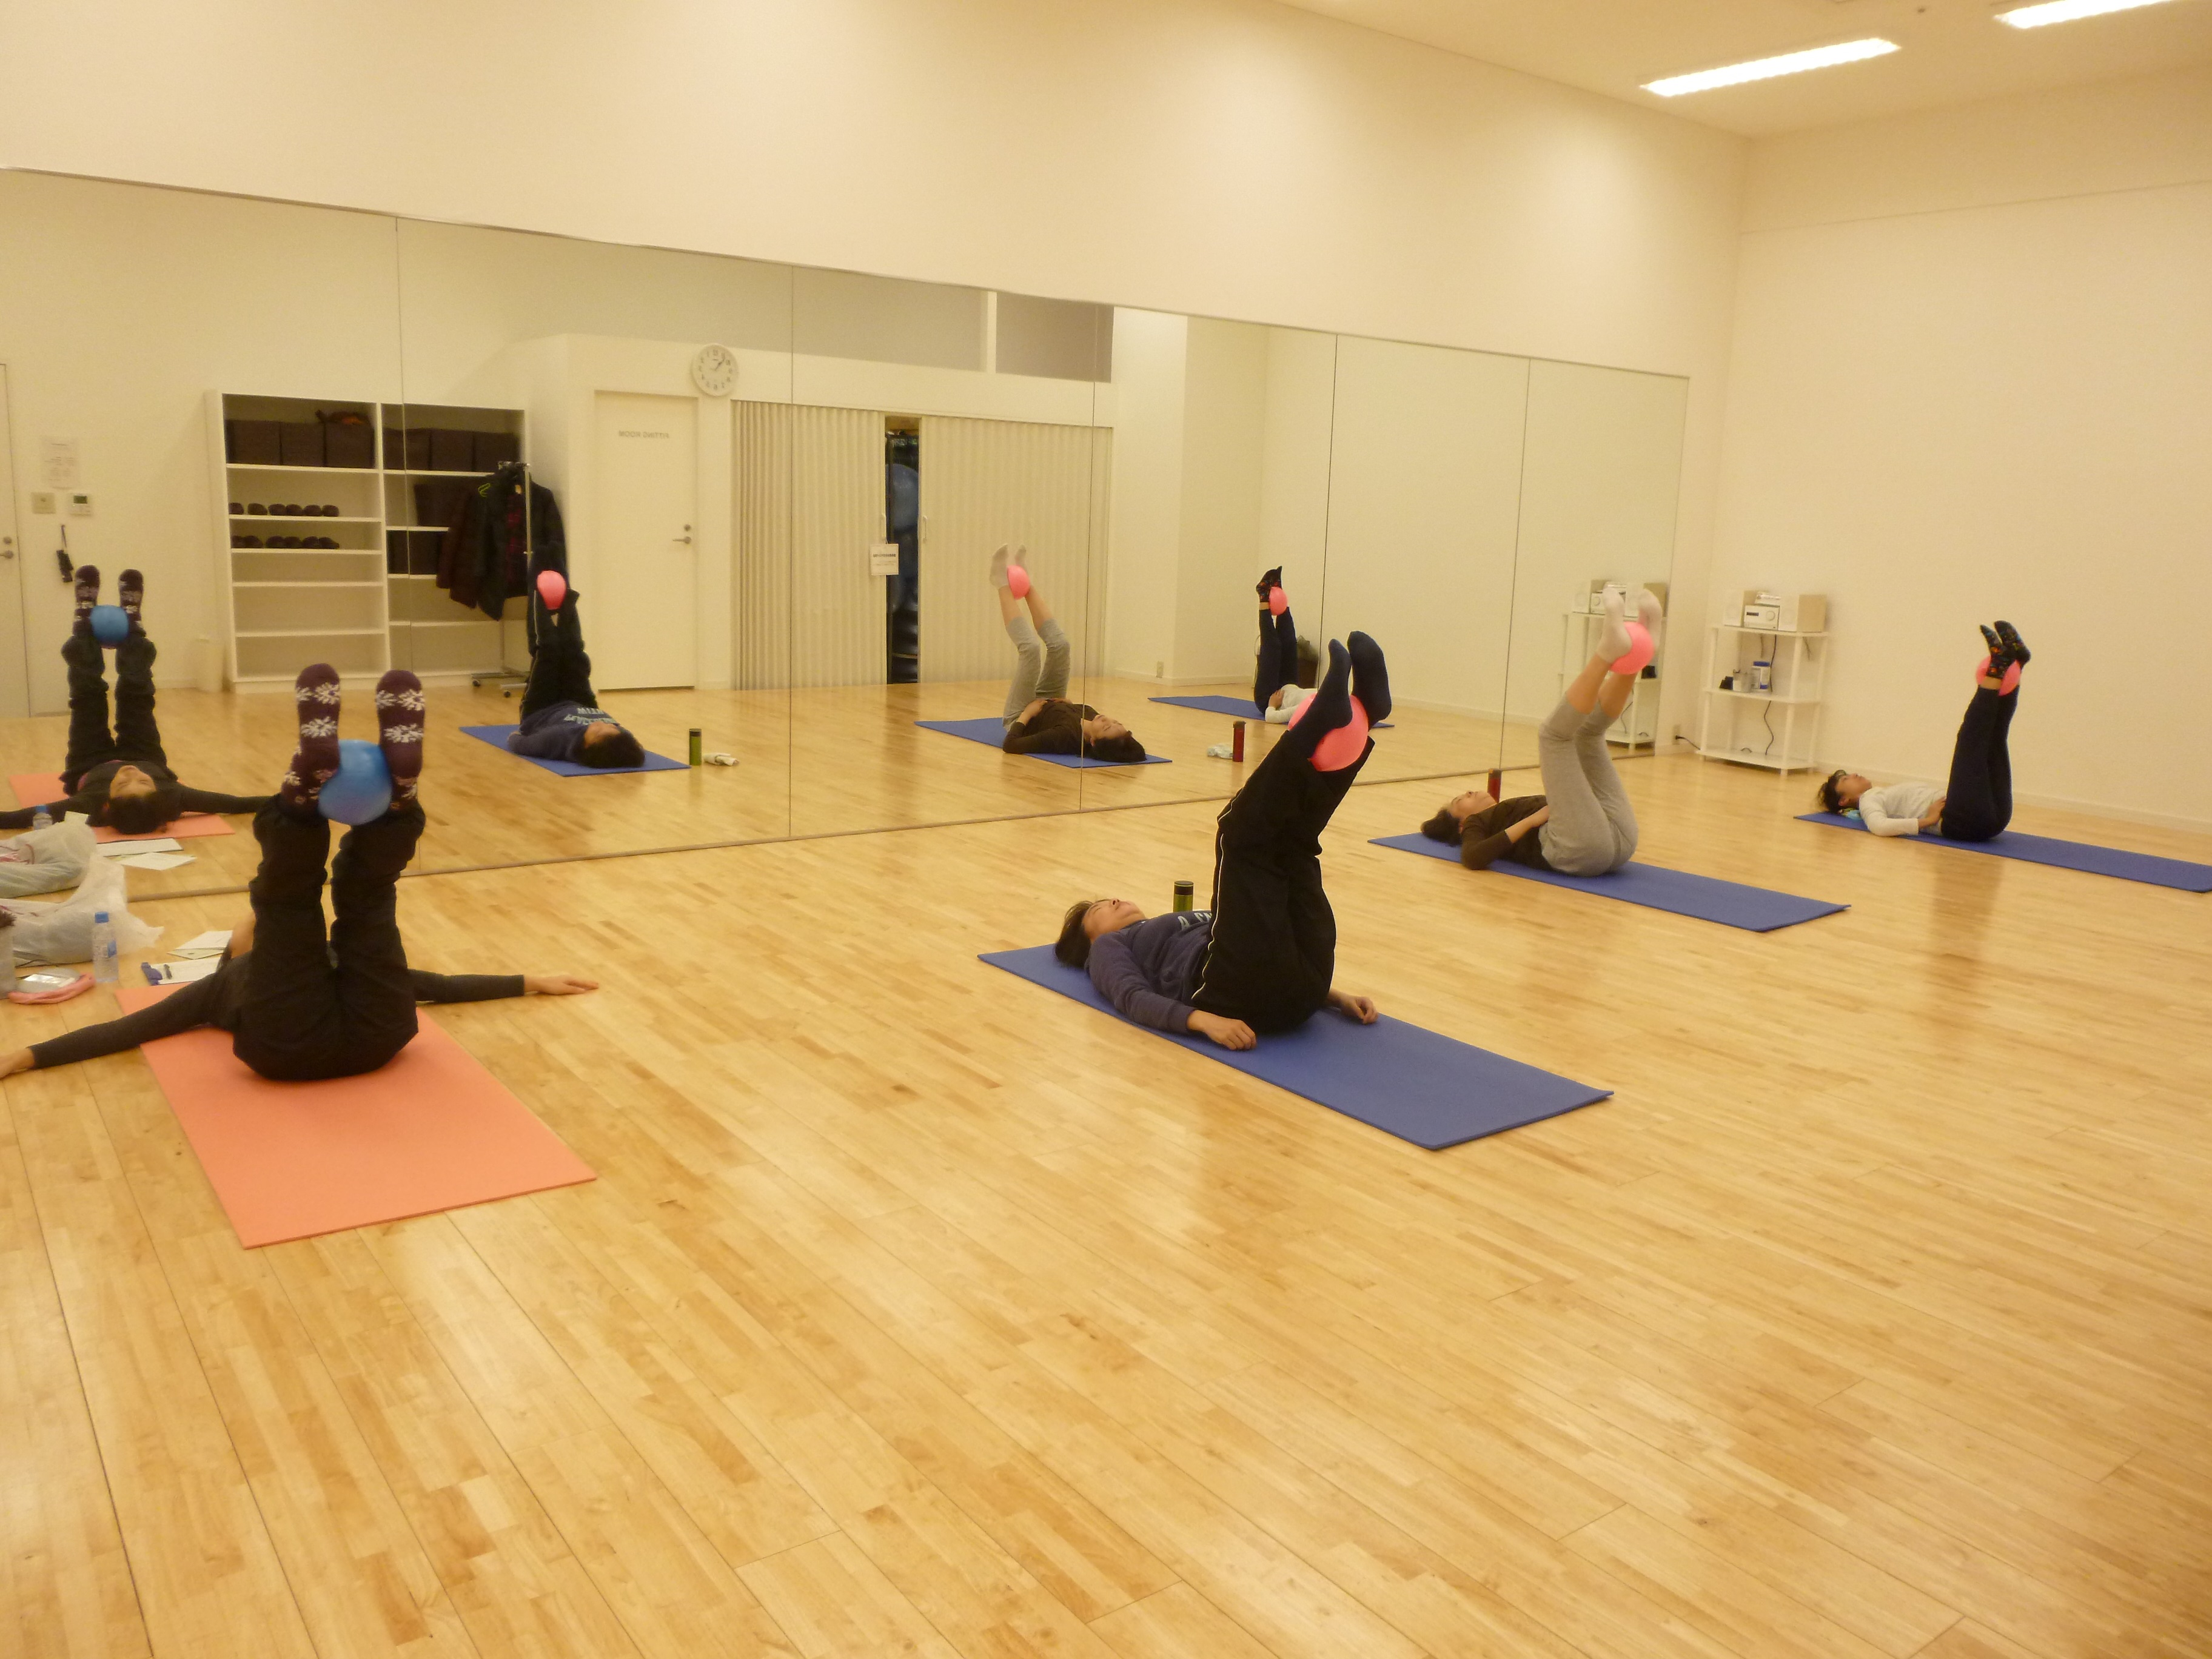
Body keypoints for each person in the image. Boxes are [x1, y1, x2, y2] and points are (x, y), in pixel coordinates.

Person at [0, 664, 595, 1081]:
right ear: (229, 954)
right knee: (330, 903)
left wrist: (28, 1056)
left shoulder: (222, 986)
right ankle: (371, 800)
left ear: (232, 957)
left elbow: (133, 1030)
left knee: (356, 900)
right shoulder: (228, 979)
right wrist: (528, 980)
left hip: (351, 1041)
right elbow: (439, 985)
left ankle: (358, 804)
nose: (243, 930)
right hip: (351, 1037)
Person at [1054, 631, 1389, 1049]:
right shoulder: (1107, 949)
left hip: (1298, 987)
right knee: (1238, 834)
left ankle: (1366, 712)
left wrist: (1333, 998)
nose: (1115, 900)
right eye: (1100, 908)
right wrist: (1203, 1022)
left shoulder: (1163, 932)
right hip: (1235, 992)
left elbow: (1259, 938)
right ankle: (1318, 725)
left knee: (1295, 843)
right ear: (1089, 940)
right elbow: (1132, 998)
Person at [0, 567, 270, 835]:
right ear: (159, 793)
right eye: (143, 782)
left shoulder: (90, 806)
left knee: (87, 696)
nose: (130, 773)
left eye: (121, 784)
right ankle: (133, 624)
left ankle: (84, 620)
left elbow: (28, 816)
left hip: (88, 761)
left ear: (107, 804)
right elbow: (234, 804)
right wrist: (288, 801)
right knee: (136, 695)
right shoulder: (173, 797)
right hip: (145, 753)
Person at [1419, 585, 1656, 874]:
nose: (1468, 791)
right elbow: (1473, 858)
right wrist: (1531, 822)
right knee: (1552, 736)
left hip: (1617, 840)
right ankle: (1607, 653)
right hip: (1578, 849)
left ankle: (1637, 650)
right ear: (1461, 824)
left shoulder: (1502, 812)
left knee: (1588, 735)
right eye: (1461, 800)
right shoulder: (1476, 825)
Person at [1818, 622, 2028, 842]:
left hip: (1989, 818)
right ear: (1844, 801)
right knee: (1971, 741)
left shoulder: (1881, 794)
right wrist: (1928, 821)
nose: (1853, 775)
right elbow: (1880, 827)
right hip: (1963, 821)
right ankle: (1998, 666)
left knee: (1994, 740)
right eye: (1846, 780)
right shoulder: (1868, 802)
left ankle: (2015, 662)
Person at [991, 545, 1147, 763]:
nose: (1107, 721)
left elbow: (1011, 745)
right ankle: (1028, 585)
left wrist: (1027, 714)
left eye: (1106, 729)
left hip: (1023, 713)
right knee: (1061, 646)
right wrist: (1068, 704)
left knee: (1031, 649)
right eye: (1116, 722)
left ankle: (1001, 583)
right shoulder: (1093, 717)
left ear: (1093, 742)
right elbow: (1075, 713)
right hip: (1050, 702)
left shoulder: (1064, 737)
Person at [506, 585, 648, 768]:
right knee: (575, 651)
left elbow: (522, 744)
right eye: (612, 728)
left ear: (586, 745)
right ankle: (568, 602)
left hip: (542, 708)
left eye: (598, 732)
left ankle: (538, 597)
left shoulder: (558, 738)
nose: (603, 725)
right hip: (583, 704)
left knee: (549, 649)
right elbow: (634, 749)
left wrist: (515, 737)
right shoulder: (621, 739)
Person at [1252, 566, 1321, 723]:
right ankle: (1277, 590)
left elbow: (1272, 717)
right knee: (1289, 643)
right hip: (1290, 685)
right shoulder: (1332, 698)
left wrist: (1272, 705)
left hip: (1269, 698)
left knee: (1273, 648)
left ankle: (1264, 596)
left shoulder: (1309, 709)